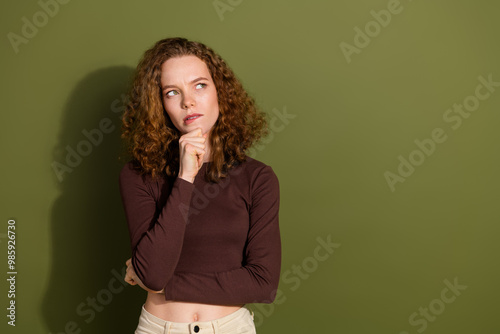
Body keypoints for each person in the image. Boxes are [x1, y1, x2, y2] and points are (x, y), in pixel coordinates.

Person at [118, 37, 281, 334]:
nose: (188, 101)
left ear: (220, 91)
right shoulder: (138, 175)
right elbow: (153, 273)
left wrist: (166, 285)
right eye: (172, 92)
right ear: (160, 104)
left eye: (200, 85)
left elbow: (263, 283)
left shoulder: (257, 178)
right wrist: (185, 178)